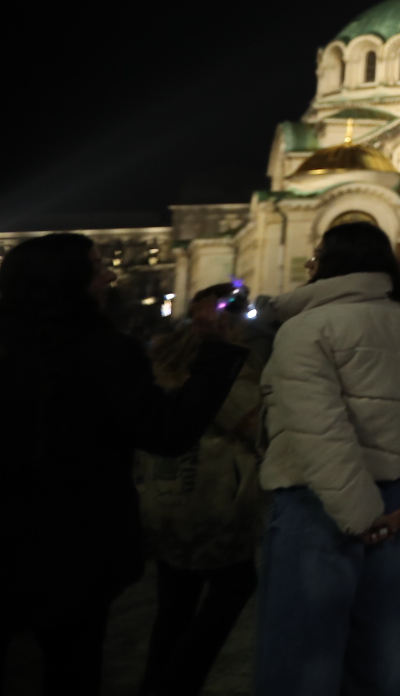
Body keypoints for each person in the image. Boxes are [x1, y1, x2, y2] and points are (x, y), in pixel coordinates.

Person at [0, 235, 246, 694]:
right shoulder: (102, 351)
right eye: (97, 267)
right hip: (75, 545)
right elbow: (167, 431)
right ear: (67, 281)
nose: (110, 275)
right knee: (71, 671)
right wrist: (215, 354)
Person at [252, 222, 400, 695]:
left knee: (305, 659)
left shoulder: (306, 328)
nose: (309, 264)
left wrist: (362, 518)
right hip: (398, 504)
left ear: (331, 265)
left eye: (316, 255)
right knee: (386, 656)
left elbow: (320, 432)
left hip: (320, 506)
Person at [137, 284, 268, 696]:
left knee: (175, 603)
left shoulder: (163, 356)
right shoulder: (224, 365)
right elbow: (254, 425)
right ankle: (176, 684)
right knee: (234, 585)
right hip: (215, 503)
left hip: (166, 496)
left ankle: (158, 683)